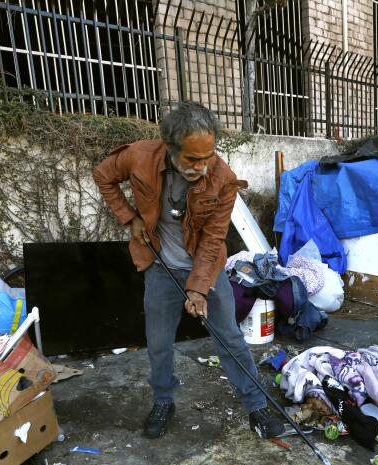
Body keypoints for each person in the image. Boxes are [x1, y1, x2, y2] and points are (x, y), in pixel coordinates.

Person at [93, 102, 284, 440]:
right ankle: (164, 401)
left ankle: (257, 405)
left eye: (208, 156)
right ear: (170, 147)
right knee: (159, 343)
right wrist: (129, 217)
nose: (202, 166)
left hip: (206, 269)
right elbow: (103, 175)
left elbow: (213, 240)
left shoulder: (222, 180)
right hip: (159, 269)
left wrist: (198, 288)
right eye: (192, 159)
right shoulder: (138, 157)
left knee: (231, 340)